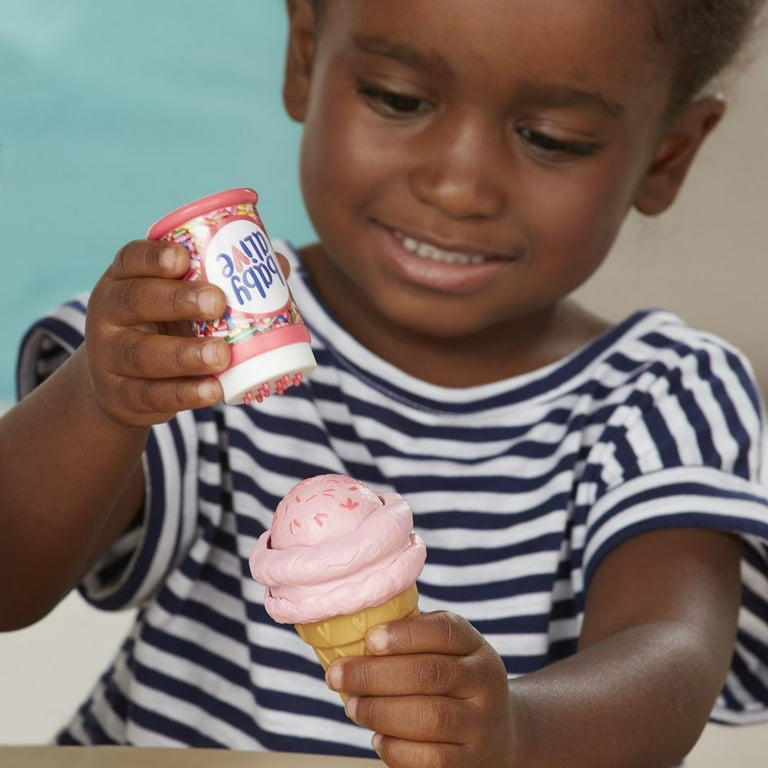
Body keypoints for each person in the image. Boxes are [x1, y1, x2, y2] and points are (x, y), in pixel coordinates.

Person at [2, 0, 768, 765]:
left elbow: (671, 652)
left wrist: (523, 732)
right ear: (304, 57)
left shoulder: (665, 397)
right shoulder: (214, 330)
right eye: (398, 99)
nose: (457, 186)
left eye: (550, 139)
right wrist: (102, 401)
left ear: (666, 156)